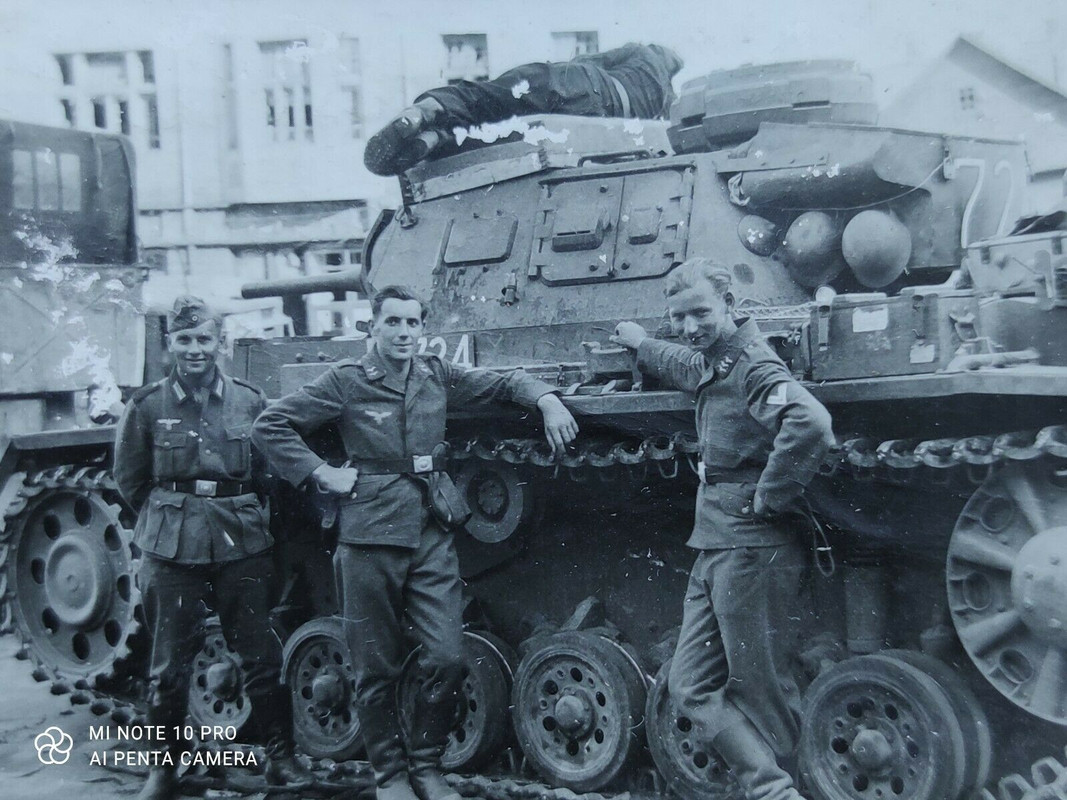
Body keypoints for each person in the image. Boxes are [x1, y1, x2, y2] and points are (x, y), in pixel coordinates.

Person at [252, 285, 578, 800]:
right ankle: (390, 776)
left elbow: (503, 382)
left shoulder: (435, 373)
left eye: (412, 324)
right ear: (373, 327)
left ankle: (426, 764)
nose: (404, 333)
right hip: (368, 533)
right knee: (373, 665)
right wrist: (318, 472)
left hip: (430, 528)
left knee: (447, 653)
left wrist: (546, 398)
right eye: (393, 323)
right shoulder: (347, 380)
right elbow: (271, 424)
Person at [611, 259, 834, 800]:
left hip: (750, 545)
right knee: (689, 684)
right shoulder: (719, 359)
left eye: (702, 313)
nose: (690, 327)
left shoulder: (754, 365)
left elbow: (811, 421)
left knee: (759, 686)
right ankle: (773, 787)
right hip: (716, 542)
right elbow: (690, 364)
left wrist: (771, 494)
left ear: (730, 306)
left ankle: (781, 790)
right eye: (679, 317)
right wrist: (643, 343)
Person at [114, 296, 308, 800]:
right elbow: (130, 481)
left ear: (220, 344)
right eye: (184, 340)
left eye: (204, 339)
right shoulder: (148, 406)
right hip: (170, 550)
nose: (194, 350)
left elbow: (268, 477)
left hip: (240, 544)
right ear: (170, 345)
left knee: (261, 656)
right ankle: (164, 768)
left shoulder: (249, 401)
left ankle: (280, 759)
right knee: (167, 665)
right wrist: (171, 522)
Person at [364, 42, 684, 175]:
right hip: (591, 122)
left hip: (582, 82)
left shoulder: (641, 51)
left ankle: (423, 113)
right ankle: (435, 140)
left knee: (486, 98)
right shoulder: (666, 98)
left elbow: (589, 62)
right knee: (500, 134)